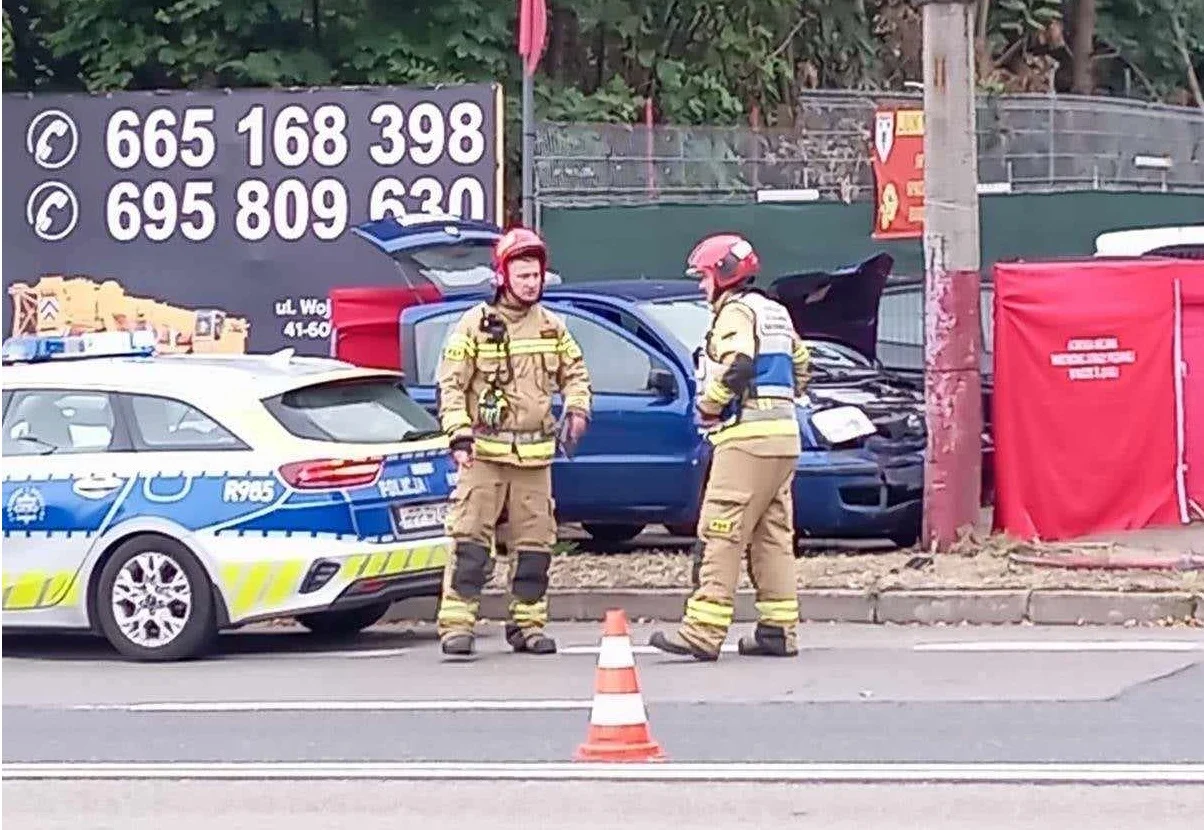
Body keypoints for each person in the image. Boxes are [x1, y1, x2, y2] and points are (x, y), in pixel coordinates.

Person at [649, 233, 809, 661]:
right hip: (783, 438)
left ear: (722, 275)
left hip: (745, 439)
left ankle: (702, 630)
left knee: (720, 530)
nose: (702, 287)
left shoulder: (734, 313)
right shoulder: (775, 312)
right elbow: (802, 365)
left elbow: (738, 363)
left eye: (703, 277)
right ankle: (778, 630)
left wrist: (710, 405)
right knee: (773, 535)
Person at [434, 226, 592, 657]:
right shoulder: (473, 326)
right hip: (483, 454)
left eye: (536, 275)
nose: (532, 283)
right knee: (469, 543)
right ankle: (456, 625)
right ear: (503, 277)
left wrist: (577, 409)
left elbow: (576, 373)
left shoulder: (552, 328)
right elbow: (450, 385)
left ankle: (527, 625)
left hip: (534, 459)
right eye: (522, 275)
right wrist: (459, 435)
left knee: (535, 546)